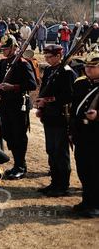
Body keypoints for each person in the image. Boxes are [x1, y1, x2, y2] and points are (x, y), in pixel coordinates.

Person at [35, 44, 76, 196]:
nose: (46, 59)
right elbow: (44, 90)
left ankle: (62, 185)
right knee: (51, 150)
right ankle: (54, 182)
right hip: (49, 116)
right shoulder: (50, 70)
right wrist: (41, 107)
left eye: (49, 57)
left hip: (60, 116)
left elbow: (69, 96)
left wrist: (48, 101)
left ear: (59, 56)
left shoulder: (67, 72)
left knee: (60, 152)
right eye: (45, 57)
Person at [0, 35, 37, 179]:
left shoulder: (23, 63)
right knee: (8, 134)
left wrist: (13, 87)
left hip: (18, 104)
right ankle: (16, 164)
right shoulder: (3, 63)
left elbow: (32, 85)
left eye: (7, 48)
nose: (4, 51)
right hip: (6, 103)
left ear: (14, 48)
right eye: (3, 48)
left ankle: (21, 166)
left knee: (18, 135)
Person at [70, 51, 99, 218]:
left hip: (96, 135)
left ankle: (96, 204)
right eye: (87, 66)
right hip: (82, 133)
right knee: (83, 169)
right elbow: (74, 110)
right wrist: (72, 131)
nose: (88, 69)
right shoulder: (81, 84)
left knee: (96, 170)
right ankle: (87, 200)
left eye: (93, 67)